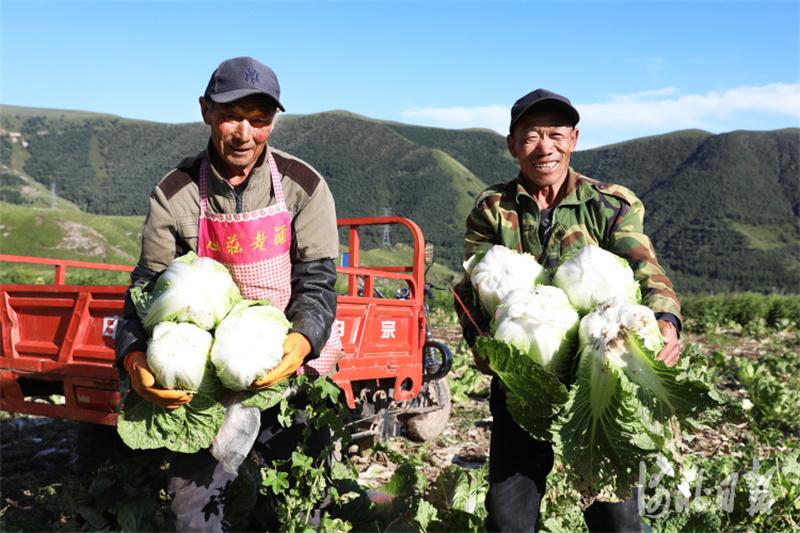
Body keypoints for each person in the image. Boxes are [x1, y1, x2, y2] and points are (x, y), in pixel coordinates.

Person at [114, 56, 342, 531]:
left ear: (272, 123)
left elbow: (318, 281)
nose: (244, 133)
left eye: (259, 120)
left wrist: (301, 342)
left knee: (300, 499)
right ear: (206, 112)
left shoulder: (304, 186)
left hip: (280, 364)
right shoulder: (174, 193)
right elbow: (145, 287)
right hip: (202, 384)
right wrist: (133, 356)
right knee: (193, 506)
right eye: (231, 116)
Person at [454, 88, 682, 532]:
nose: (545, 147)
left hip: (600, 382)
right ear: (512, 143)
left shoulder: (611, 203)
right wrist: (480, 343)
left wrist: (665, 319)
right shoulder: (492, 209)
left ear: (573, 139)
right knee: (508, 518)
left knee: (615, 518)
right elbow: (469, 288)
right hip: (523, 388)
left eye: (556, 134)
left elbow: (646, 270)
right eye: (531, 135)